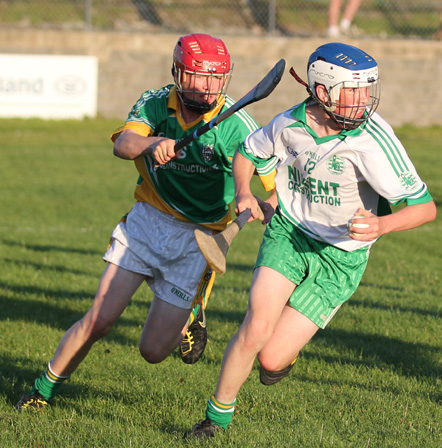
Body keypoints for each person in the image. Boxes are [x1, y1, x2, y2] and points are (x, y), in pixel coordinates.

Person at [189, 42, 437, 438]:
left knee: (271, 360)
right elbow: (248, 153)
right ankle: (214, 420)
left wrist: (381, 226)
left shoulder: (375, 139)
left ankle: (282, 358)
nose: (363, 101)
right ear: (322, 92)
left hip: (341, 258)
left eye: (366, 90)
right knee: (255, 327)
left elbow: (425, 207)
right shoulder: (289, 124)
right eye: (352, 91)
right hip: (290, 233)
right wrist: (243, 192)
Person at [14, 33, 270, 411]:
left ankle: (193, 311)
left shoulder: (238, 124)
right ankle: (41, 391)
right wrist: (152, 144)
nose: (206, 88)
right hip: (147, 221)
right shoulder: (155, 104)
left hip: (199, 238)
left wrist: (254, 200)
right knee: (100, 319)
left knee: (152, 352)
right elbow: (123, 145)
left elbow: (273, 189)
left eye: (216, 78)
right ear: (178, 73)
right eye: (198, 77)